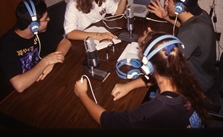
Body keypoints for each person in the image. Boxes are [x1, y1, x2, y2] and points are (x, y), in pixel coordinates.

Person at [74, 31, 210, 128]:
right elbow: (160, 78)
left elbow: (107, 121)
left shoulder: (156, 109)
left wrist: (82, 93)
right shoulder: (185, 78)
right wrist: (131, 85)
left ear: (148, 67)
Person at [113, 0, 216, 99]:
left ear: (179, 7)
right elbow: (183, 25)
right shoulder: (200, 15)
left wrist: (129, 86)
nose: (165, 3)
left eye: (168, 0)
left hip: (197, 83)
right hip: (206, 73)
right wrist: (165, 16)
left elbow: (166, 69)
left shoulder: (191, 34)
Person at [0, 0, 72, 103]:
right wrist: (45, 62)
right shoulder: (7, 45)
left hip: (36, 85)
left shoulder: (39, 32)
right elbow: (19, 86)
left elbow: (65, 43)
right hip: (12, 100)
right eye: (45, 19)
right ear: (34, 25)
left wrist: (52, 63)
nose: (49, 19)